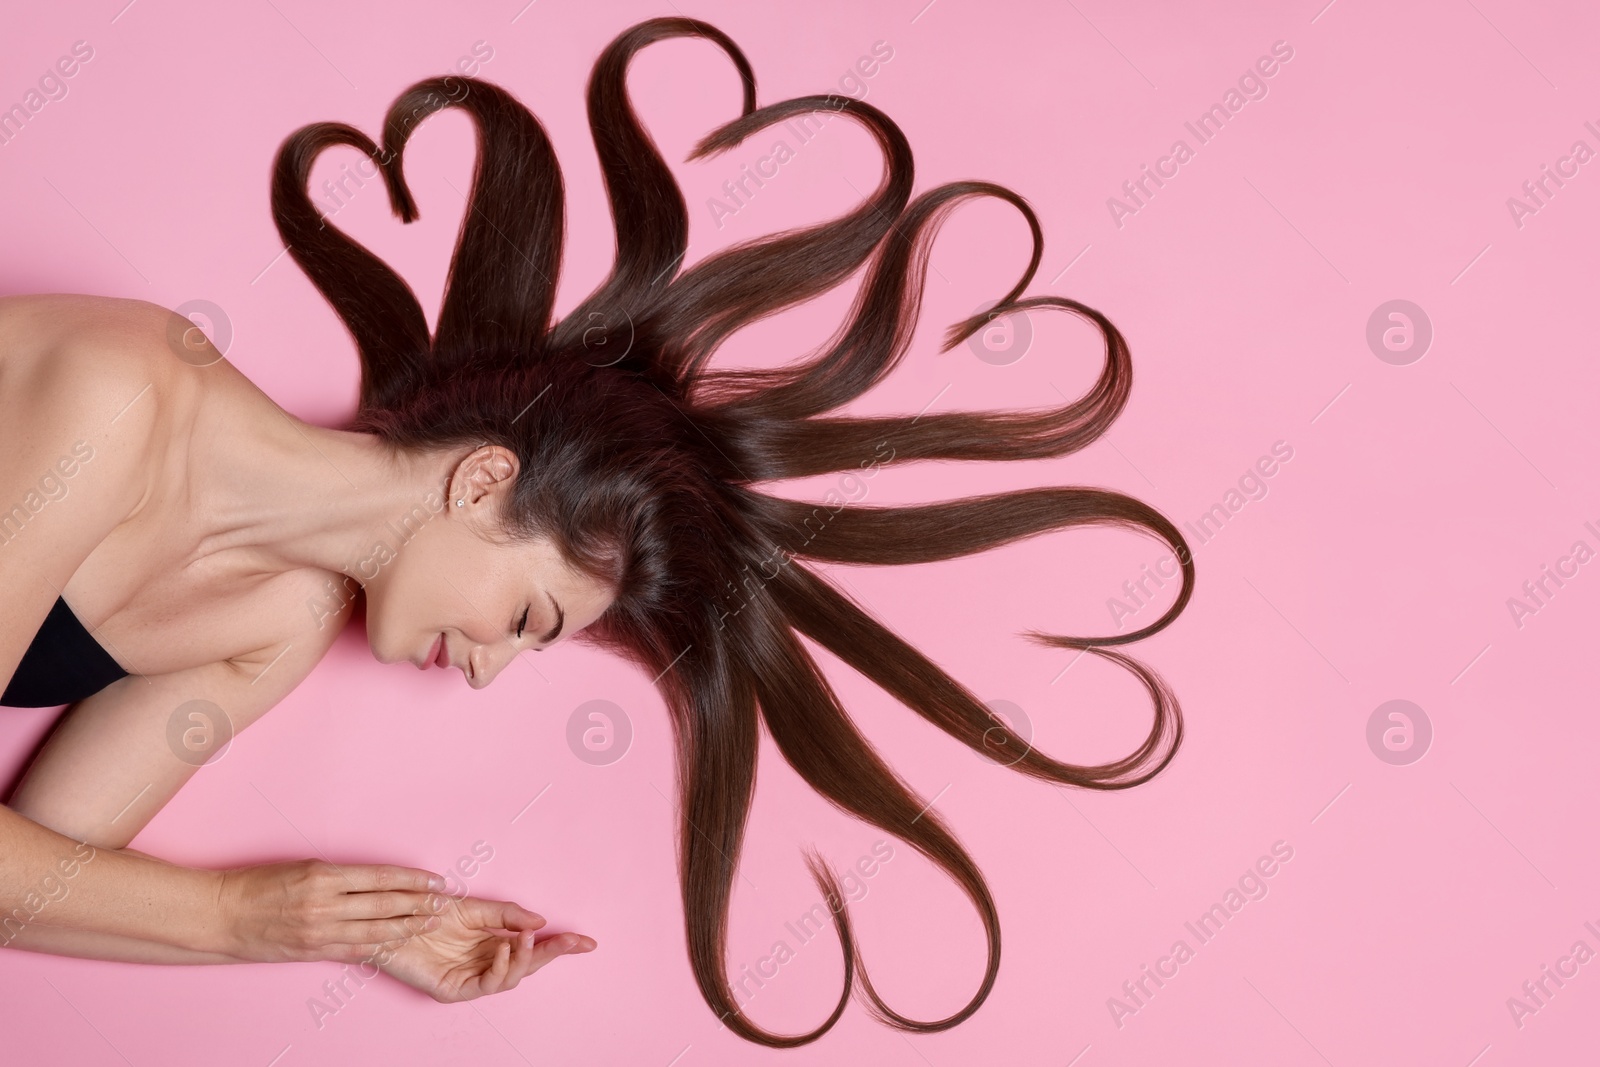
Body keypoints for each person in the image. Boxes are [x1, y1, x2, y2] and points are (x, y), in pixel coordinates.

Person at [0, 16, 1193, 1047]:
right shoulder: (124, 394)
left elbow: (28, 889)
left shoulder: (278, 622)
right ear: (479, 483)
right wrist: (240, 914)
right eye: (525, 618)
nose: (485, 667)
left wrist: (350, 935)